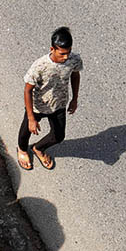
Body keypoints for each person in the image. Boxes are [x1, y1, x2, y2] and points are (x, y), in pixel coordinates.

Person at [18, 27, 82, 171]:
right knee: (25, 132)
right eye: (62, 53)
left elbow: (75, 75)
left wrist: (75, 98)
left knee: (58, 136)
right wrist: (31, 118)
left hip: (59, 104)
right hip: (38, 106)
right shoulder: (39, 67)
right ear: (52, 49)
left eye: (68, 52)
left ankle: (38, 148)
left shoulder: (74, 59)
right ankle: (22, 150)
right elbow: (27, 90)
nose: (66, 57)